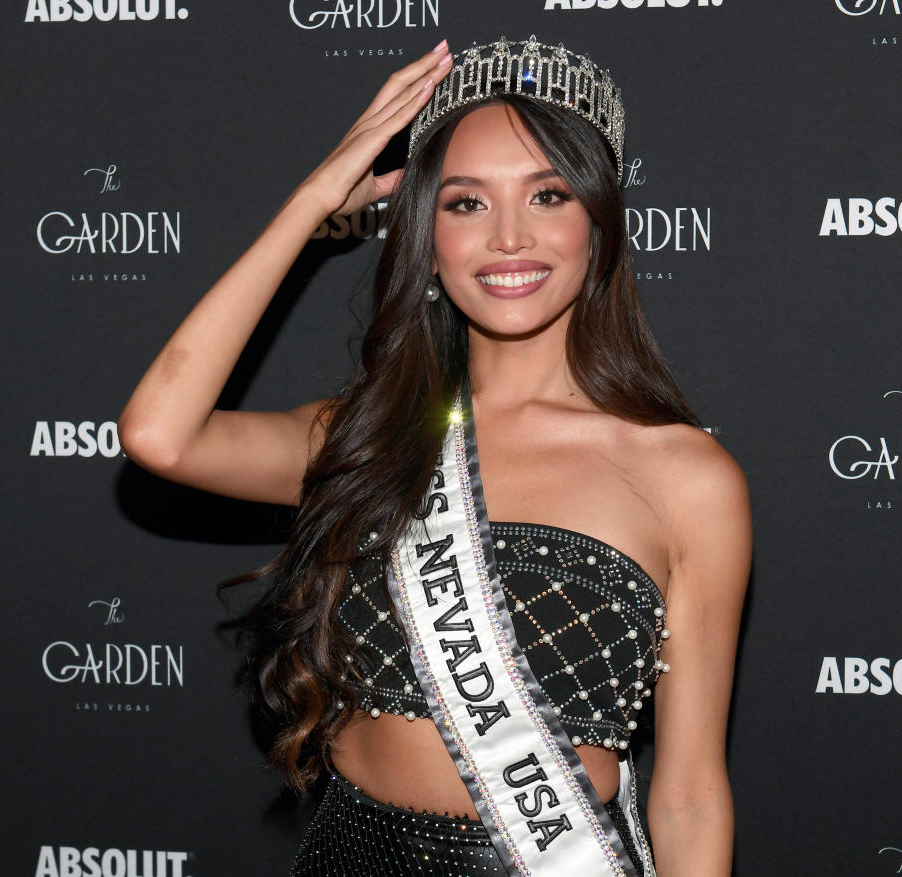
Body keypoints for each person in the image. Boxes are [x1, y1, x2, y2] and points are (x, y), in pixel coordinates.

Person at [120, 36, 750, 877]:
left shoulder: (687, 478)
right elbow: (160, 433)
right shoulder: (361, 437)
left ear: (597, 225)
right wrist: (315, 201)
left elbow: (690, 791)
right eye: (465, 203)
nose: (508, 238)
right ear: (426, 232)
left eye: (548, 195)